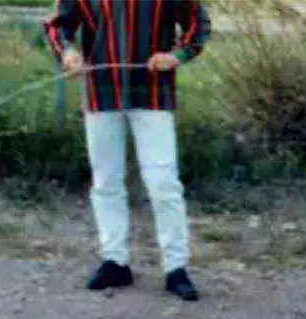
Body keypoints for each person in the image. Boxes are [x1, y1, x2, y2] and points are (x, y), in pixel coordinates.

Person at [43, 0, 210, 302]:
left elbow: (198, 24)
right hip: (100, 91)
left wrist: (176, 56)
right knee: (106, 180)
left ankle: (176, 268)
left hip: (153, 93)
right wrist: (67, 51)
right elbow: (58, 25)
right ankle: (115, 261)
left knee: (163, 183)